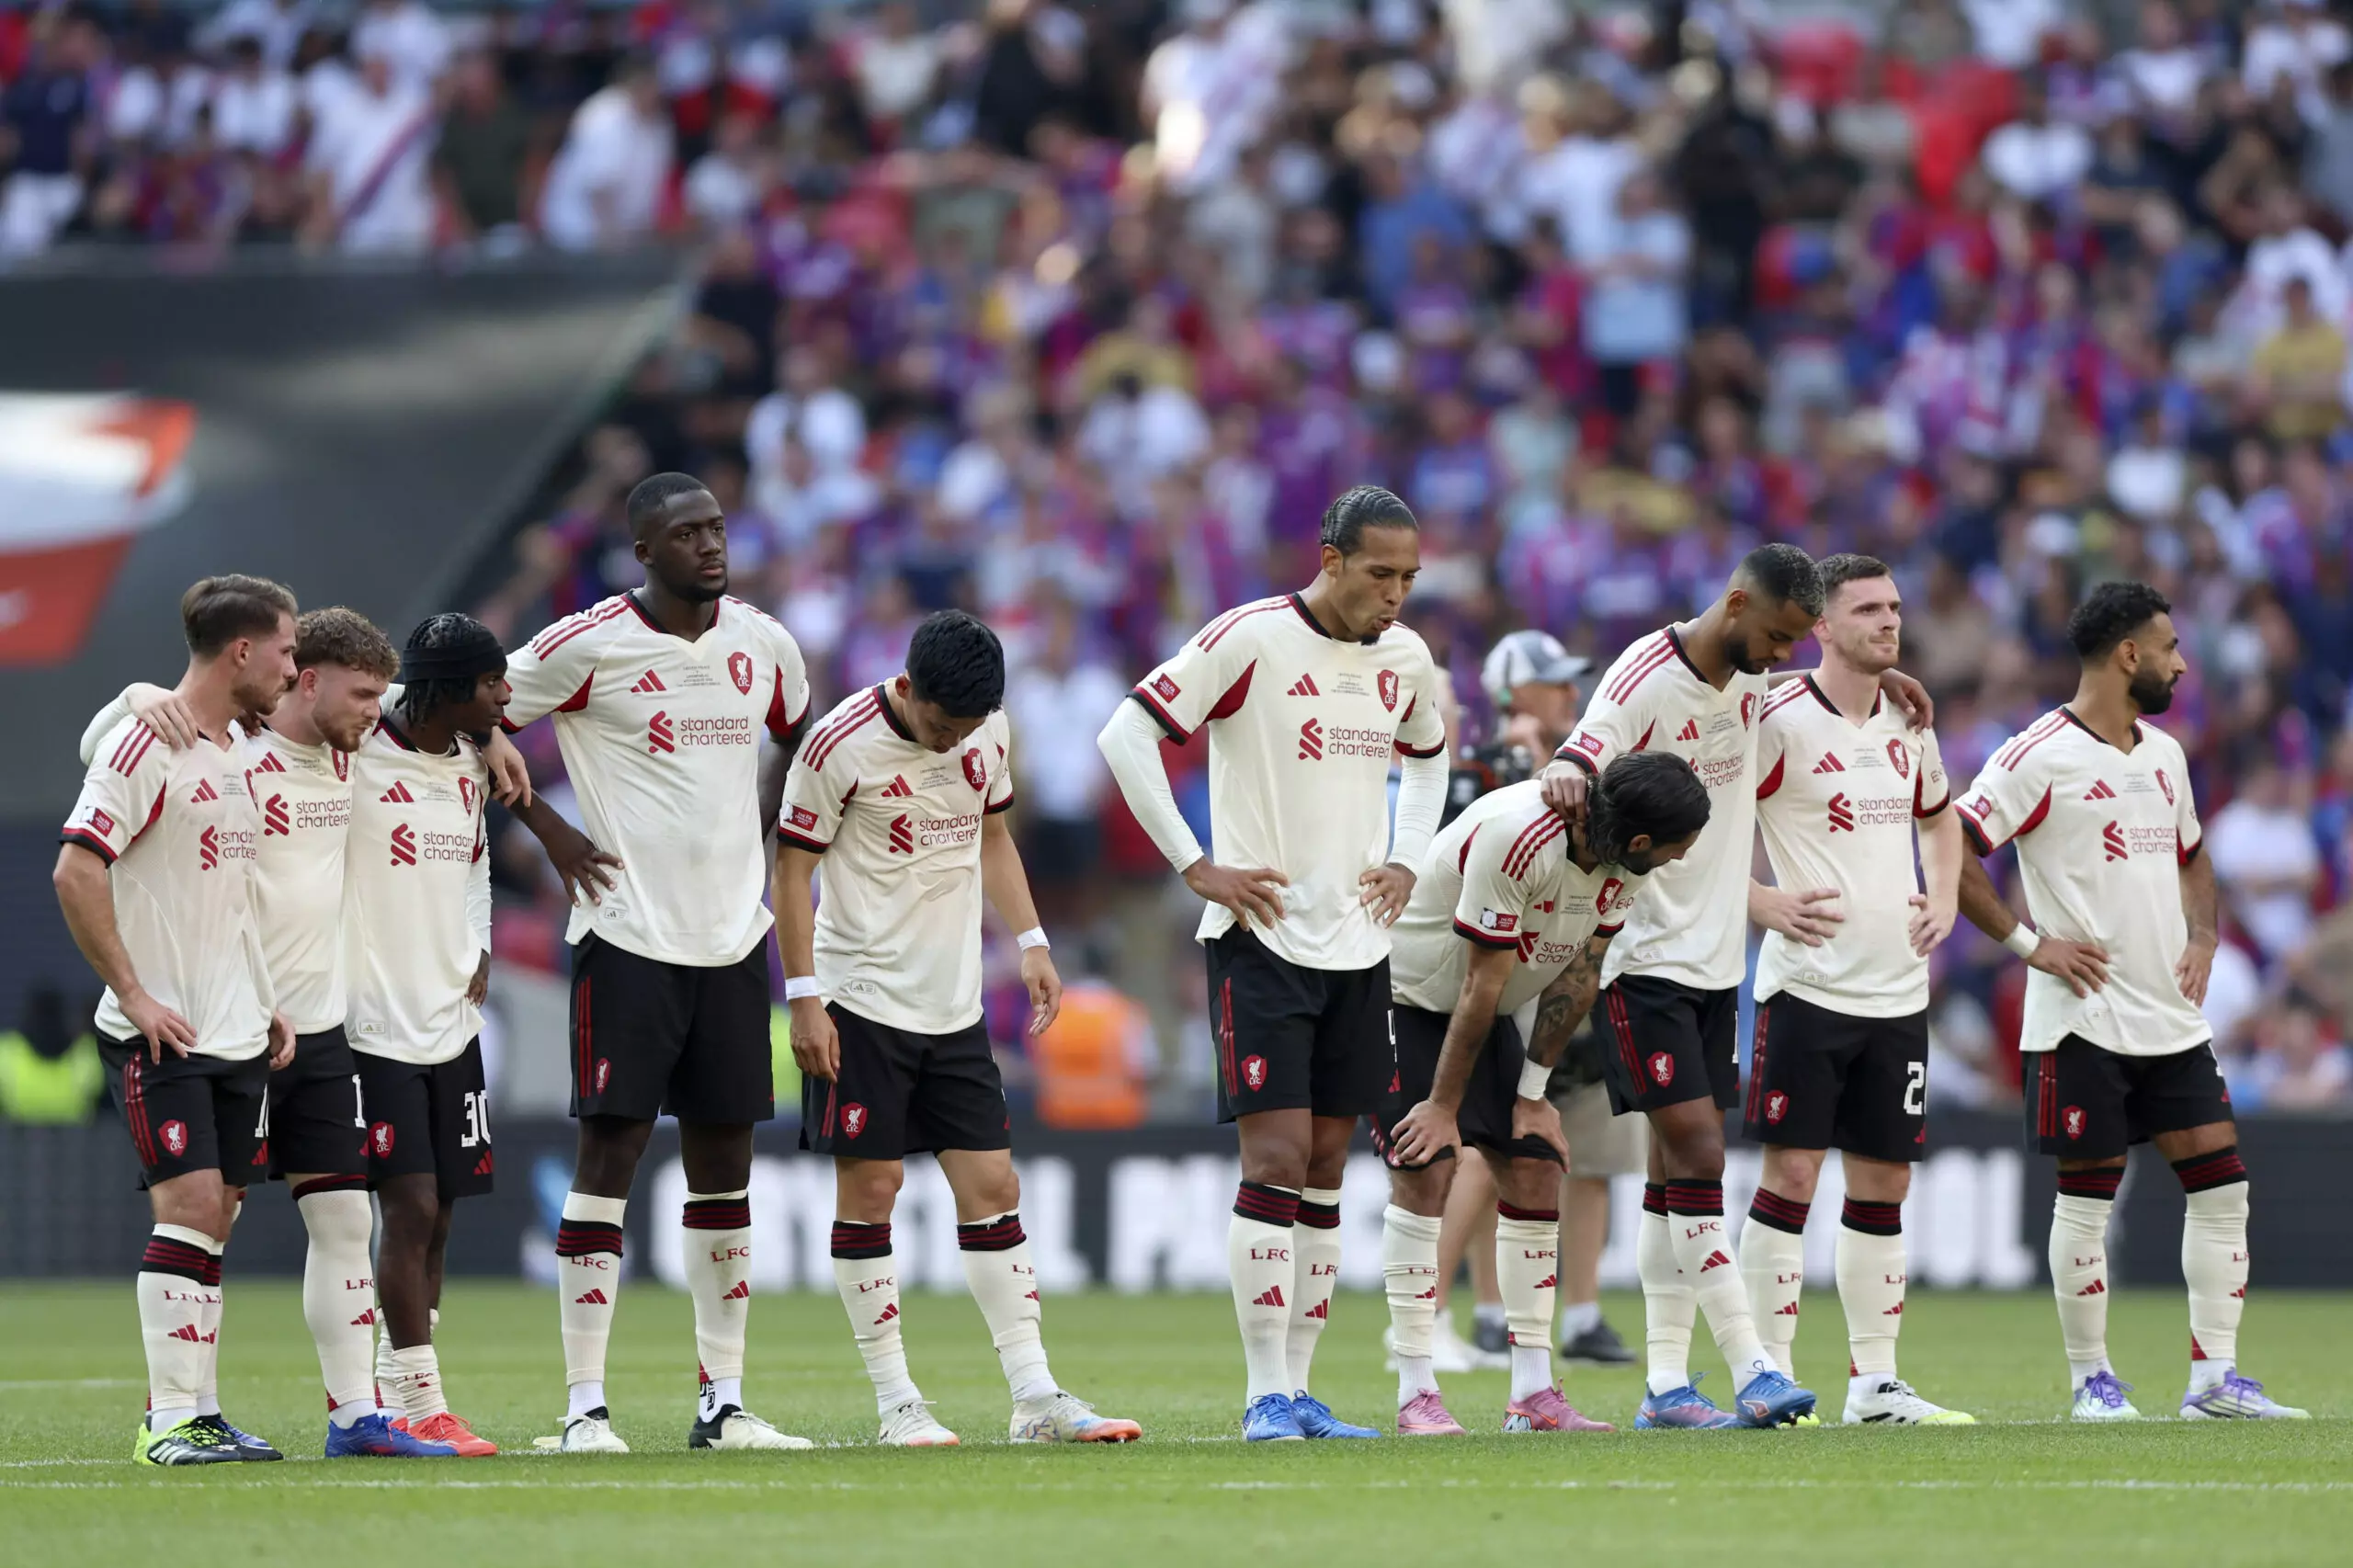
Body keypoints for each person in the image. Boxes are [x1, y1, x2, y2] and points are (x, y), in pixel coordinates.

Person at [1098, 484, 1451, 1441]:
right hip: (1262, 939)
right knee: (1279, 1156)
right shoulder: (1249, 638)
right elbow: (1125, 732)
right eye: (1381, 574)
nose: (1396, 595)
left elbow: (1428, 757)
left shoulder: (1407, 659)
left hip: (1359, 945)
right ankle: (1262, 1392)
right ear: (1330, 559)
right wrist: (1195, 863)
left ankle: (1300, 1390)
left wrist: (1411, 854)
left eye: (1410, 578)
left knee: (1331, 1162)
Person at [1537, 544, 1919, 1429]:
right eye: (1779, 635)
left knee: (1675, 1176)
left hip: (1716, 965)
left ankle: (1667, 1385)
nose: (1784, 654)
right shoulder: (1642, 675)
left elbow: (1823, 706)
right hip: (1641, 962)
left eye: (1795, 641)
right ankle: (1752, 1367)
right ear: (1739, 603)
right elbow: (1583, 751)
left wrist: (1894, 689)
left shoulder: (1754, 681)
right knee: (1703, 1155)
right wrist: (1564, 769)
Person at [79, 609, 460, 1460]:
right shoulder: (232, 750)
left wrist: (496, 740)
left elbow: (436, 704)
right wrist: (135, 696)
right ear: (305, 680)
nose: (376, 709)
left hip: (312, 1027)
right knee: (209, 1215)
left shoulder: (352, 753)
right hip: (227, 1022)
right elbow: (105, 757)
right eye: (359, 692)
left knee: (342, 1222)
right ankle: (177, 1408)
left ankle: (355, 1414)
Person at [501, 472, 813, 1455]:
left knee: (725, 1168)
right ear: (642, 551)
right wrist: (548, 828)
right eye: (686, 534)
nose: (709, 546)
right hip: (627, 936)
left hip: (731, 939)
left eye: (717, 528)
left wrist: (757, 820)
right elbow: (459, 714)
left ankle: (723, 1399)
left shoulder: (761, 643)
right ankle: (583, 1408)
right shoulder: (584, 644)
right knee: (611, 1157)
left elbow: (797, 732)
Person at [776, 609, 1141, 1447]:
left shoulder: (986, 731)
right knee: (873, 1193)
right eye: (942, 727)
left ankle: (1035, 1398)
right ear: (906, 690)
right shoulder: (837, 748)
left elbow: (994, 835)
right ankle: (898, 1403)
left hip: (955, 1005)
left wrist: (1034, 940)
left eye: (968, 731)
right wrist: (804, 996)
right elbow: (792, 872)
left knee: (995, 1190)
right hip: (860, 1002)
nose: (953, 746)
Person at [1955, 582, 2307, 1421]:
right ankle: (2091, 1380)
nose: (2183, 663)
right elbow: (1955, 849)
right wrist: (2029, 944)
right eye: (2171, 647)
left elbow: (2193, 854)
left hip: (2171, 1018)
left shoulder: (2164, 754)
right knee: (2088, 1196)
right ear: (2127, 655)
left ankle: (2214, 1380)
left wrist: (2205, 938)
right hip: (2084, 1016)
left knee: (2223, 1188)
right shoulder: (2035, 754)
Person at [1377, 753, 1711, 1437]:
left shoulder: (1621, 866)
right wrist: (1443, 1107)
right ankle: (1416, 1391)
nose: (1679, 860)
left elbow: (1578, 976)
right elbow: (1478, 982)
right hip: (1403, 997)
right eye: (1678, 848)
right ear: (1644, 840)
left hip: (1488, 1010)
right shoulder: (1520, 835)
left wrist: (1533, 1094)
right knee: (1426, 1168)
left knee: (1535, 1162)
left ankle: (1531, 1396)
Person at [53, 575, 299, 1466]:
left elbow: (229, 898)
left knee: (217, 1215)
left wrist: (263, 993)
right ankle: (167, 1420)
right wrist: (134, 991)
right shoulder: (141, 743)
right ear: (242, 650)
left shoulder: (234, 749)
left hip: (234, 1026)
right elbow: (75, 871)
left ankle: (201, 1408)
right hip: (161, 1030)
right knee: (191, 1204)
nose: (292, 666)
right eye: (286, 648)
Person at [1737, 555, 1975, 1426]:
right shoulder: (1773, 717)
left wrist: (1945, 894)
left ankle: (1875, 1384)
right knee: (1793, 1173)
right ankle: (1766, 1375)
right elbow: (1699, 825)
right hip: (1807, 987)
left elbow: (1941, 818)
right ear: (1822, 627)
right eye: (1868, 608)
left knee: (1884, 1186)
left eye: (1895, 607)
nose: (1889, 621)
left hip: (1897, 994)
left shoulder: (1909, 723)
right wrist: (1759, 901)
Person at [345, 615, 506, 1456]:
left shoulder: (473, 764)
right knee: (405, 1206)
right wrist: (138, 697)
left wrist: (478, 943)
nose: (507, 698)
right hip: (375, 1022)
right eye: (491, 685)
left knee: (439, 1214)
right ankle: (420, 1398)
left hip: (451, 1018)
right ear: (445, 691)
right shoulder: (355, 749)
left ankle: (401, 1382)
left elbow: (476, 864)